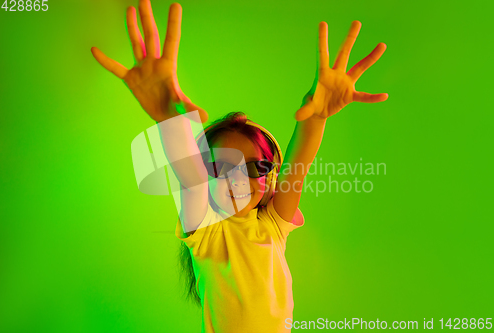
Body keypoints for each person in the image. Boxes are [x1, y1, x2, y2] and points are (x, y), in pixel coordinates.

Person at [91, 1, 388, 332]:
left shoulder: (273, 226)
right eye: (222, 168)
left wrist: (317, 116)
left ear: (270, 179)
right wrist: (167, 117)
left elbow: (298, 165)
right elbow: (187, 174)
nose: (239, 180)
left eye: (253, 167)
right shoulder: (206, 231)